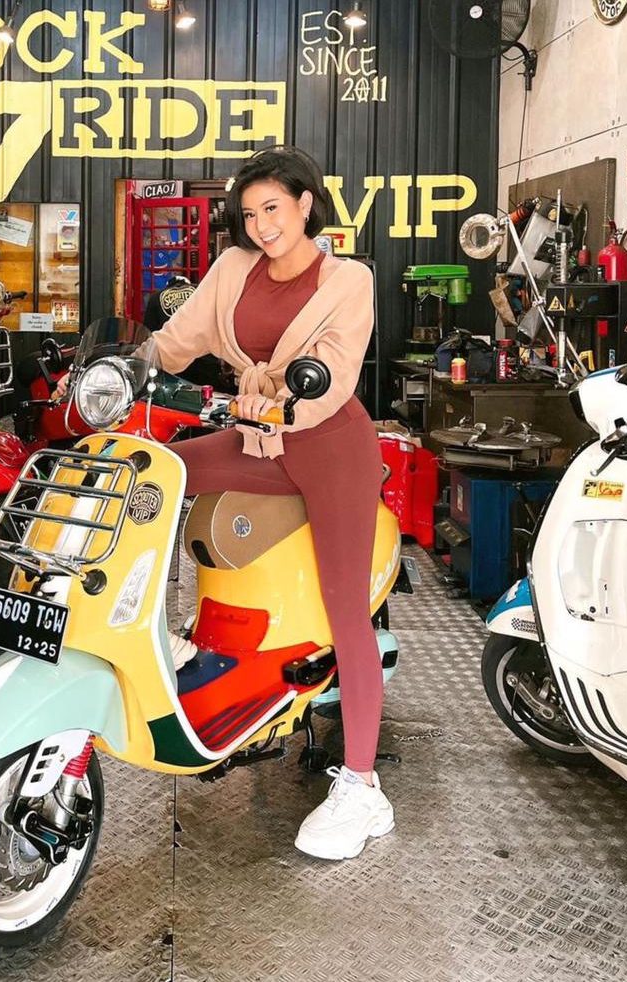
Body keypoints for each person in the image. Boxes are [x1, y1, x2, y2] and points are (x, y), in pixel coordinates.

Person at [148, 146, 389, 862]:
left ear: (306, 204)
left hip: (330, 446)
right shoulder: (232, 268)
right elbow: (179, 339)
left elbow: (335, 372)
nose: (261, 225)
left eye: (273, 208)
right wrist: (127, 364)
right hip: (257, 440)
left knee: (346, 609)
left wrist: (286, 399)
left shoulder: (348, 280)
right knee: (152, 472)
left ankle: (362, 786)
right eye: (250, 214)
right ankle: (161, 632)